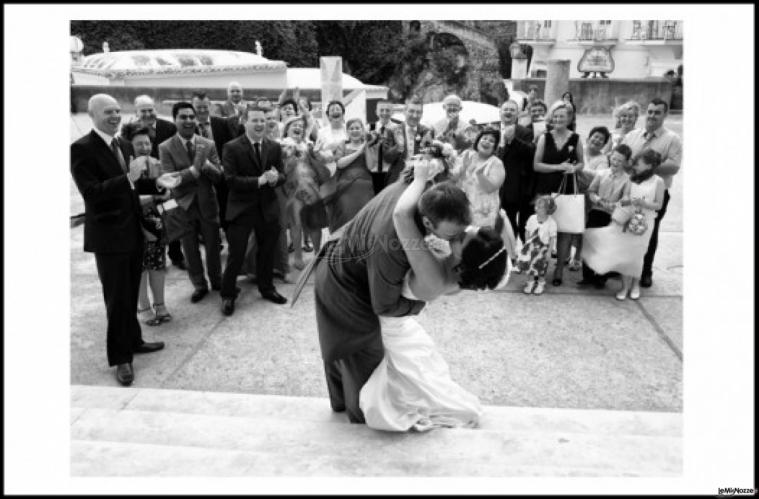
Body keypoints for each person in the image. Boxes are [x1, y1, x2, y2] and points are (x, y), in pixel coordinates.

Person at [359, 160, 509, 432]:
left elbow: (401, 216)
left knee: (407, 389)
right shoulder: (456, 272)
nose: (464, 232)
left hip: (388, 324)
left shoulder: (434, 276)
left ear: (466, 260)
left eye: (464, 238)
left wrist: (419, 179)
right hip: (404, 320)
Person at [313, 171, 472, 424]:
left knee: (341, 349)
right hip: (346, 287)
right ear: (428, 223)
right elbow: (385, 305)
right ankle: (361, 421)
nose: (456, 240)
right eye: (452, 235)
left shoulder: (418, 190)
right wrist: (424, 297)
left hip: (344, 261)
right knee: (364, 356)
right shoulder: (391, 243)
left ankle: (342, 406)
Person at [71, 94, 164, 386]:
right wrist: (127, 178)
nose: (114, 116)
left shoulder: (123, 144)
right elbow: (92, 194)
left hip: (132, 231)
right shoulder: (81, 148)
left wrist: (158, 184)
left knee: (130, 291)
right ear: (92, 115)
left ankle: (134, 341)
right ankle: (121, 359)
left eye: (116, 111)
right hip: (109, 238)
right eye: (108, 112)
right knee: (116, 300)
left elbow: (133, 187)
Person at [220, 105, 288, 315]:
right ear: (245, 122)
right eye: (255, 120)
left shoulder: (274, 147)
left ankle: (266, 288)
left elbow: (282, 174)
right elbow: (230, 180)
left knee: (267, 252)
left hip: (267, 208)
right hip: (241, 209)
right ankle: (228, 294)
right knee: (237, 254)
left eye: (263, 120)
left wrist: (277, 178)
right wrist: (258, 181)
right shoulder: (231, 147)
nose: (260, 124)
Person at [158, 102, 224, 304]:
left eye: (191, 117)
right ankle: (199, 285)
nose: (188, 121)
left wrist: (206, 165)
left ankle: (217, 281)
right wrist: (193, 171)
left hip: (207, 203)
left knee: (213, 246)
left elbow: (219, 176)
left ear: (196, 119)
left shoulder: (208, 144)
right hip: (183, 205)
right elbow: (169, 178)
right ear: (175, 120)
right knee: (190, 249)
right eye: (183, 117)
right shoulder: (165, 147)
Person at [582, 149, 665, 300]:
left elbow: (659, 205)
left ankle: (635, 285)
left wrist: (643, 203)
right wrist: (616, 205)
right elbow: (626, 199)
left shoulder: (658, 181)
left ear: (649, 165)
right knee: (626, 252)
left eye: (638, 163)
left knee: (639, 254)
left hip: (645, 222)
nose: (635, 166)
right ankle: (624, 286)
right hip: (628, 220)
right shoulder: (632, 178)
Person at [622, 97, 682, 288]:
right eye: (649, 111)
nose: (652, 116)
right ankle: (623, 269)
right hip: (630, 192)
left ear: (665, 115)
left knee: (649, 233)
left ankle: (645, 272)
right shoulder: (632, 136)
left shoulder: (672, 139)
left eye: (657, 112)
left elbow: (673, 166)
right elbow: (620, 157)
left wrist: (646, 168)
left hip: (655, 195)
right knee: (625, 229)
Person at [121, 122, 173, 326]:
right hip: (134, 223)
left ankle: (160, 304)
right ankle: (143, 307)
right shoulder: (124, 167)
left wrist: (167, 196)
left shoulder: (156, 163)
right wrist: (155, 196)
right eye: (139, 143)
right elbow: (129, 199)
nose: (144, 147)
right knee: (140, 267)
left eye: (147, 142)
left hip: (156, 222)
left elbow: (166, 195)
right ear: (128, 145)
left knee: (158, 264)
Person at [533, 100, 585, 286]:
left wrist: (574, 169)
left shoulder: (576, 138)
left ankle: (559, 270)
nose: (558, 119)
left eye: (562, 116)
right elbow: (536, 165)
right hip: (546, 189)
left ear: (569, 118)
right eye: (555, 116)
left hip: (566, 189)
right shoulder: (544, 137)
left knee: (563, 231)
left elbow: (581, 163)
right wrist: (558, 167)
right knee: (542, 229)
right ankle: (538, 265)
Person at [132, 94, 186, 271]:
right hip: (143, 189)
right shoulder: (130, 131)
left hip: (167, 184)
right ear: (136, 112)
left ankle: (176, 255)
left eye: (150, 109)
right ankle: (150, 259)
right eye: (143, 110)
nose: (147, 114)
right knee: (149, 224)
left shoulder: (168, 127)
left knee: (170, 217)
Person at [577, 144, 632, 289]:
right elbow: (591, 191)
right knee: (590, 243)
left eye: (619, 161)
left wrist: (615, 205)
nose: (615, 162)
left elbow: (626, 198)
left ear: (626, 162)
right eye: (613, 158)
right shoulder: (601, 174)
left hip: (612, 216)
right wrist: (599, 200)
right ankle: (587, 276)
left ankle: (601, 277)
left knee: (606, 246)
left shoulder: (627, 180)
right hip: (596, 212)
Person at [280, 115, 330, 270]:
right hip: (293, 190)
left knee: (314, 223)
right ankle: (297, 257)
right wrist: (290, 155)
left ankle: (317, 254)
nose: (298, 128)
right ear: (287, 129)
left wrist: (316, 154)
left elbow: (321, 165)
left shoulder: (309, 145)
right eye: (294, 125)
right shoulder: (281, 146)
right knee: (296, 224)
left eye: (301, 126)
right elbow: (284, 171)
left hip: (312, 188)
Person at [192, 92, 239, 236]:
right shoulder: (188, 126)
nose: (201, 110)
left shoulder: (221, 123)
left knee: (224, 205)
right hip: (199, 176)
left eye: (204, 106)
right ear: (193, 107)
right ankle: (210, 238)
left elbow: (230, 146)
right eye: (198, 107)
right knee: (204, 211)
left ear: (210, 106)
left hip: (221, 173)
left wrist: (226, 166)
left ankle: (227, 231)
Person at [326, 118, 376, 232]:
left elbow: (370, 166)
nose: (355, 131)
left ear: (362, 130)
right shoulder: (343, 145)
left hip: (365, 184)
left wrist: (366, 146)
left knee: (365, 211)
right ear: (347, 132)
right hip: (345, 185)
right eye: (351, 128)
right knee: (346, 209)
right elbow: (340, 164)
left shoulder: (368, 145)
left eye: (357, 128)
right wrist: (359, 151)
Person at [496, 99, 536, 242]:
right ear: (500, 112)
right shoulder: (493, 131)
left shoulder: (524, 131)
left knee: (517, 222)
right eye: (505, 109)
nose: (508, 112)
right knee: (503, 221)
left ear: (518, 113)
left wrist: (513, 140)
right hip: (496, 184)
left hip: (516, 184)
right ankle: (508, 252)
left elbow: (531, 152)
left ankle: (521, 254)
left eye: (512, 110)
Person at [456, 128, 505, 227]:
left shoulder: (496, 163)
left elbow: (490, 188)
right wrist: (463, 168)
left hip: (485, 213)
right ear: (478, 140)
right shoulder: (468, 155)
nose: (487, 142)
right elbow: (457, 182)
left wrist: (480, 175)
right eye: (484, 138)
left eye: (491, 141)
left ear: (495, 147)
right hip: (465, 208)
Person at [516, 195, 558, 295]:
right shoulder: (532, 218)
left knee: (542, 267)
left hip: (543, 249)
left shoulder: (551, 222)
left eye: (540, 207)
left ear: (548, 210)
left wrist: (549, 251)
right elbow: (527, 230)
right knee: (530, 266)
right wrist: (527, 243)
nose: (536, 208)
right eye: (536, 206)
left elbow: (552, 238)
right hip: (531, 247)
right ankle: (530, 282)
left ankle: (541, 283)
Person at [387, 96, 435, 185]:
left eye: (418, 112)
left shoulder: (427, 132)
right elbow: (388, 159)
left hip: (420, 179)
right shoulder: (392, 131)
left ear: (422, 114)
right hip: (397, 179)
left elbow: (430, 157)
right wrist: (398, 147)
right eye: (411, 111)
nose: (415, 115)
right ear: (404, 112)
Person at [367, 100, 403, 194]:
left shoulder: (398, 128)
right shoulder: (369, 128)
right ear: (376, 111)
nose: (384, 113)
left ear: (392, 112)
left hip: (391, 171)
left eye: (387, 110)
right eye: (381, 110)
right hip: (372, 171)